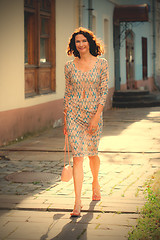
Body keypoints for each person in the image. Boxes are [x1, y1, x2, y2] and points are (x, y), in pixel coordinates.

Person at [63, 27, 109, 217]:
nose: (80, 44)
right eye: (77, 42)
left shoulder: (102, 64)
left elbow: (104, 90)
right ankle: (77, 202)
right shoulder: (68, 66)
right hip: (74, 113)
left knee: (92, 154)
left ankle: (95, 182)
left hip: (93, 113)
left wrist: (97, 116)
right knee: (78, 157)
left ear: (90, 42)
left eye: (83, 41)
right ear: (74, 45)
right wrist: (66, 119)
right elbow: (67, 93)